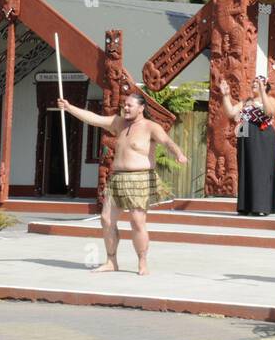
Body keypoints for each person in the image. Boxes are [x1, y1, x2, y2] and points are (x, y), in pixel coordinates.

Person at [58, 91, 188, 275]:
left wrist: (178, 154)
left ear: (141, 108)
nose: (125, 108)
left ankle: (142, 262)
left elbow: (167, 142)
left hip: (139, 178)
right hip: (118, 178)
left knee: (137, 221)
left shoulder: (151, 127)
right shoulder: (118, 123)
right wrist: (69, 107)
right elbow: (94, 119)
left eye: (129, 105)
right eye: (124, 105)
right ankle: (111, 261)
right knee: (106, 219)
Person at [219, 71, 275, 216]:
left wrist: (263, 92)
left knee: (261, 170)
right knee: (246, 168)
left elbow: (269, 111)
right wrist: (225, 96)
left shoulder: (270, 99)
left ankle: (262, 206)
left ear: (265, 87)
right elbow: (232, 113)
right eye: (253, 82)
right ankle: (246, 205)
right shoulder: (246, 101)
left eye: (258, 82)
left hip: (262, 135)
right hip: (245, 133)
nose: (254, 84)